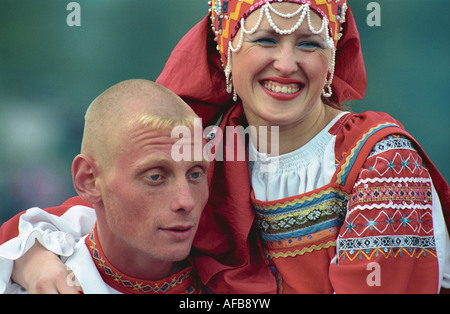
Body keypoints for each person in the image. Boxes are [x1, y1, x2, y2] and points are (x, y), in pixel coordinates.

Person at [1, 0, 449, 294]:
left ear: (331, 60)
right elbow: (89, 214)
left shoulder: (380, 160)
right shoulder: (211, 152)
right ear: (226, 53)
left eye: (309, 44)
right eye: (266, 40)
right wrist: (36, 262)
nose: (287, 63)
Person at [0, 79, 208, 294]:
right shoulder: (35, 283)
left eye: (195, 174)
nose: (186, 201)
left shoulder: (232, 276)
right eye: (155, 177)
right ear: (88, 180)